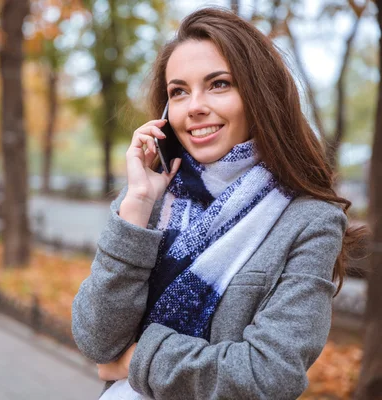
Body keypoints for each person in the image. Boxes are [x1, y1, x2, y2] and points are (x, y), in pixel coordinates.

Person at [71, 7, 364, 400]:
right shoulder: (150, 203)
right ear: (164, 113)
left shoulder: (309, 221)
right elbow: (96, 339)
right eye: (179, 91)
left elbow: (268, 375)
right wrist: (137, 204)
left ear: (259, 94)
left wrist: (137, 360)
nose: (194, 106)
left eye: (219, 84)